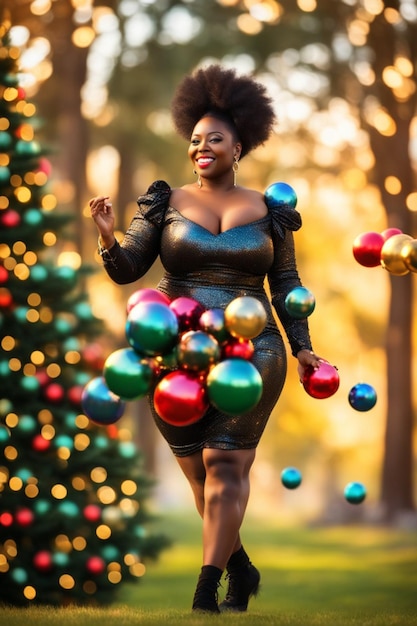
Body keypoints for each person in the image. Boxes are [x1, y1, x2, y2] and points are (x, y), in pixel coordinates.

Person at [89, 64, 322, 614]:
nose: (202, 147)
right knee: (198, 473)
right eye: (195, 140)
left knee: (225, 466)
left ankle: (206, 588)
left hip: (253, 347)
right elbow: (128, 270)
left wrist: (302, 345)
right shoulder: (164, 202)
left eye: (214, 138)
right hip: (175, 348)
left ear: (239, 144)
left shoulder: (271, 211)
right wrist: (105, 237)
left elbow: (286, 283)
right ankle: (241, 569)